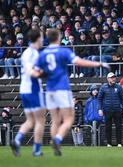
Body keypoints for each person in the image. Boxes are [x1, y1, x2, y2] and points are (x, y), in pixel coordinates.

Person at [30, 29, 109, 156]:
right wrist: (99, 63)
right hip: (62, 89)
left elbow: (34, 72)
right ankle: (57, 139)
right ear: (58, 38)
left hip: (49, 90)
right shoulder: (63, 51)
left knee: (55, 120)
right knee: (69, 119)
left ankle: (55, 143)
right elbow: (79, 62)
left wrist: (42, 75)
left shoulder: (43, 54)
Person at [10, 29, 46, 157]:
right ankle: (36, 150)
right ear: (37, 39)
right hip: (33, 89)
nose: (43, 40)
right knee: (40, 120)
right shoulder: (34, 54)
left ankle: (17, 140)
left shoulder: (25, 53)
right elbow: (32, 71)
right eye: (41, 38)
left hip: (24, 89)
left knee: (30, 120)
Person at [98, 72, 123, 147]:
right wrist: (100, 109)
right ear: (108, 79)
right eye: (111, 77)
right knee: (108, 128)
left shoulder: (118, 87)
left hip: (117, 110)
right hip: (107, 110)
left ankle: (119, 143)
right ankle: (109, 143)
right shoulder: (103, 87)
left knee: (118, 127)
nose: (113, 78)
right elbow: (99, 99)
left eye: (114, 77)